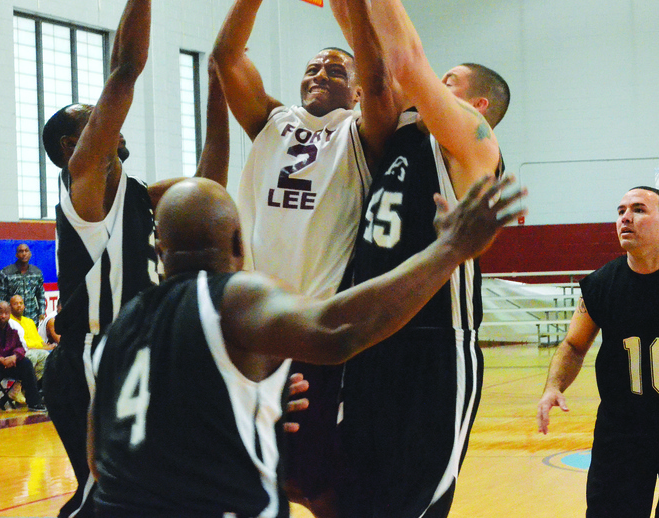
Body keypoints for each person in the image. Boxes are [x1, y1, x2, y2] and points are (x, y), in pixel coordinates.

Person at [91, 175, 525, 517]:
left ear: (160, 250)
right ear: (240, 244)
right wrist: (448, 249)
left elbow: (99, 454)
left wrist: (249, 411)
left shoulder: (122, 326)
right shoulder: (235, 297)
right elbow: (337, 329)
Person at [320, 0, 512, 518]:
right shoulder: (397, 131)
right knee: (357, 502)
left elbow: (406, 57)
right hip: (368, 331)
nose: (431, 83)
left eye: (449, 82)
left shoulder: (472, 146)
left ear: (477, 106)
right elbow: (364, 43)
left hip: (433, 343)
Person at [40, 0, 229, 518]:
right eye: (93, 119)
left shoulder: (140, 196)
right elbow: (125, 70)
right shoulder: (84, 185)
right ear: (75, 143)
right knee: (109, 500)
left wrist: (218, 87)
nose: (108, 119)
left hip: (137, 350)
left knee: (148, 497)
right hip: (91, 355)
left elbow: (209, 185)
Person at [210, 0, 400, 516]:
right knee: (244, 472)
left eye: (334, 68)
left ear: (350, 87)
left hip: (314, 329)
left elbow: (379, 79)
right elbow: (225, 58)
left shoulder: (361, 132)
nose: (321, 71)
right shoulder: (272, 122)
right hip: (247, 328)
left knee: (313, 482)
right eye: (314, 66)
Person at [537, 186, 659, 517]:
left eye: (639, 209)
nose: (626, 218)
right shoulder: (603, 284)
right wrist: (553, 386)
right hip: (622, 429)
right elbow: (574, 346)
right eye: (620, 211)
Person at [0, 243, 47, 322]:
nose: (24, 254)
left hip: (31, 318)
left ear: (30, 254)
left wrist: (42, 313)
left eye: (26, 251)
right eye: (21, 251)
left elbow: (41, 295)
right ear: (16, 255)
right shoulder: (6, 273)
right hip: (12, 319)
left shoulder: (37, 273)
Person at [10, 294, 54, 380]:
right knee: (33, 356)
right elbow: (23, 347)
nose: (19, 305)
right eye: (15, 303)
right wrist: (45, 348)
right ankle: (21, 385)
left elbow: (40, 342)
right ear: (10, 306)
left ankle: (37, 386)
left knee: (56, 353)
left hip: (39, 350)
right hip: (23, 353)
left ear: (24, 306)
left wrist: (49, 347)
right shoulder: (9, 322)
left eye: (21, 303)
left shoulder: (29, 321)